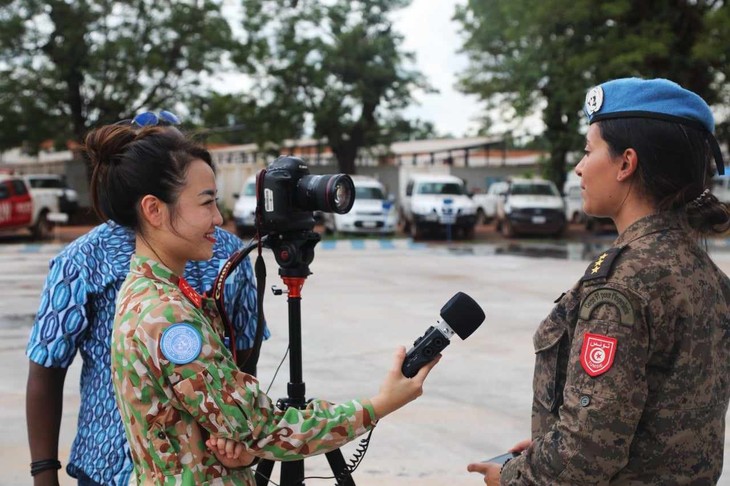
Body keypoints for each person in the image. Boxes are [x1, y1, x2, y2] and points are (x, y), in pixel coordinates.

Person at [84, 122, 438, 485]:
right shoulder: (167, 316)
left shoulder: (147, 291)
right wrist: (381, 404)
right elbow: (263, 427)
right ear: (154, 210)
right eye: (206, 202)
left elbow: (196, 424)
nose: (218, 218)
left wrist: (230, 441)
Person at [468, 77, 730, 484]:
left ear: (626, 163)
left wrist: (513, 477)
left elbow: (586, 453)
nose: (578, 166)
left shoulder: (622, 286)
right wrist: (547, 449)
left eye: (589, 151)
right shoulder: (706, 274)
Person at [25, 111, 267, 485]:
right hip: (107, 465)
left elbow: (246, 350)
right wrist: (43, 472)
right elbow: (46, 367)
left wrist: (235, 428)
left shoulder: (230, 255)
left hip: (207, 469)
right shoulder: (83, 260)